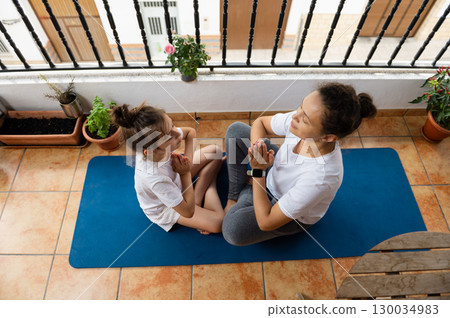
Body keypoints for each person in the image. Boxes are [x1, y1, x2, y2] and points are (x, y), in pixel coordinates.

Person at [222, 82, 377, 246]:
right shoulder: (301, 121)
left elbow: (265, 222)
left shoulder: (321, 178)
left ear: (328, 137)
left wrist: (258, 172)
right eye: (301, 107)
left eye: (305, 119)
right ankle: (234, 197)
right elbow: (260, 123)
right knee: (236, 131)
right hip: (273, 171)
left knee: (233, 230)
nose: (295, 116)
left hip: (286, 211)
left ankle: (249, 189)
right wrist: (258, 150)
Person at [111, 103, 225, 234]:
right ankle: (210, 186)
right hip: (166, 207)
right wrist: (185, 173)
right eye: (169, 136)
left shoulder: (156, 137)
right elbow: (188, 212)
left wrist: (186, 162)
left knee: (215, 151)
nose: (177, 134)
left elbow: (190, 132)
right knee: (219, 224)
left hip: (177, 176)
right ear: (150, 151)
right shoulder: (155, 178)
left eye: (173, 124)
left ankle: (196, 198)